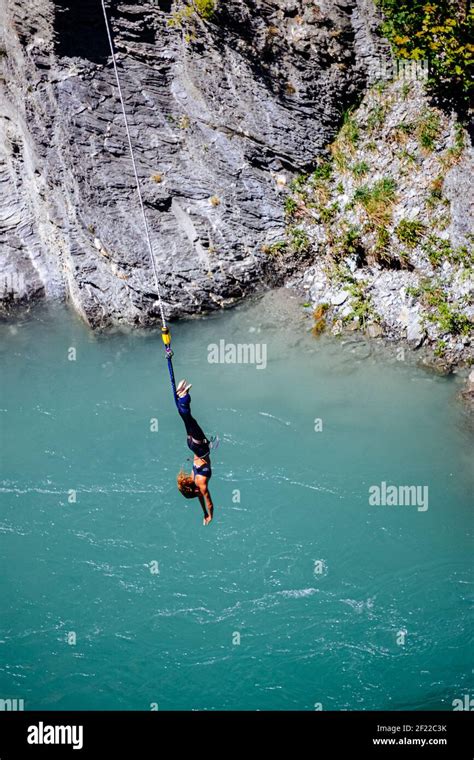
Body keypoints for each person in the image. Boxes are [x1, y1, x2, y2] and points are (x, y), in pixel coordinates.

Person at [175, 379, 215, 526]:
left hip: (200, 447)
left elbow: (209, 503)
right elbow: (200, 498)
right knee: (188, 421)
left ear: (195, 490)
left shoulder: (201, 484)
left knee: (189, 419)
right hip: (192, 445)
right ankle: (182, 397)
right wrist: (203, 512)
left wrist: (209, 515)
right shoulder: (193, 478)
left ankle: (184, 397)